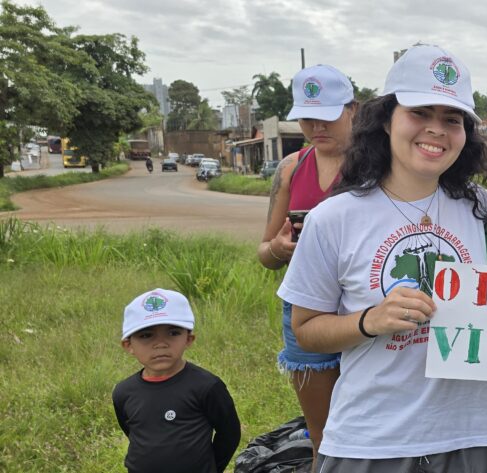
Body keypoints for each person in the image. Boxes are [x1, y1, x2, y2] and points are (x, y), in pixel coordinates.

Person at [278, 44, 487, 472]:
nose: (437, 130)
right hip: (369, 444)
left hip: (474, 437)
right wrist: (369, 321)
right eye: (419, 113)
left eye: (452, 119)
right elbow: (306, 332)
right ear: (387, 120)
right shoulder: (333, 218)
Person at [256, 64, 356, 458]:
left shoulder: (380, 167)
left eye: (329, 115)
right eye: (307, 117)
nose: (318, 127)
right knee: (324, 435)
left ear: (353, 110)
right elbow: (264, 253)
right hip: (305, 309)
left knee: (371, 430)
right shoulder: (291, 167)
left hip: (365, 305)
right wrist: (281, 249)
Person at [113, 288, 241, 473]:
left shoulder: (207, 386)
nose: (160, 344)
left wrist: (212, 468)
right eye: (146, 335)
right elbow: (132, 431)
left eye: (173, 333)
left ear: (188, 339)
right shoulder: (124, 392)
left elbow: (229, 434)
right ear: (128, 345)